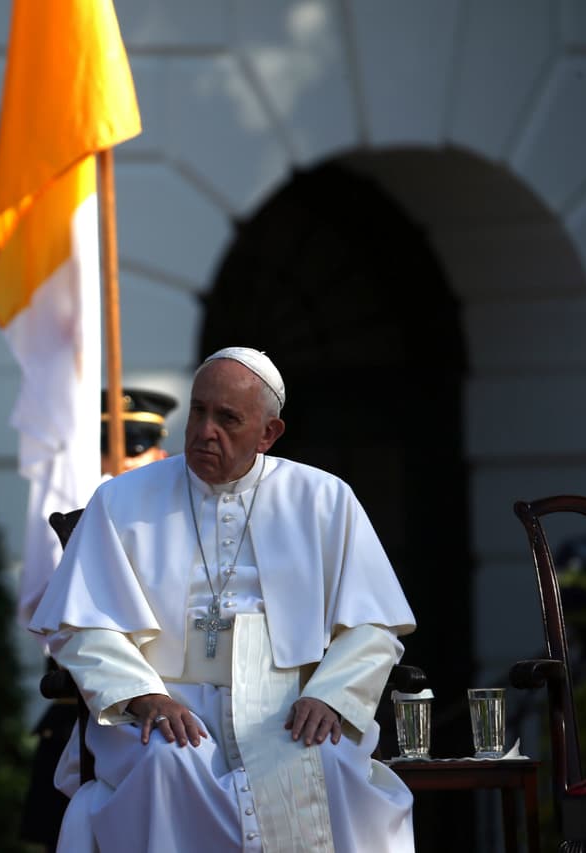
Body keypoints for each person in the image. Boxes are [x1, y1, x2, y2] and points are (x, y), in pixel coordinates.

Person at [29, 347, 417, 852]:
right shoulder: (121, 500)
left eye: (227, 418)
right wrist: (142, 695)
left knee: (324, 762)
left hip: (288, 704)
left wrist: (330, 694)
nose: (205, 431)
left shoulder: (324, 498)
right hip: (167, 701)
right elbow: (84, 625)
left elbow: (373, 624)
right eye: (199, 411)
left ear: (268, 433)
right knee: (166, 762)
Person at [21, 386, 177, 852]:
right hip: (92, 718)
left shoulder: (185, 524)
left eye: (134, 448)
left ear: (160, 455)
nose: (120, 461)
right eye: (108, 450)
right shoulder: (88, 516)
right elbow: (58, 613)